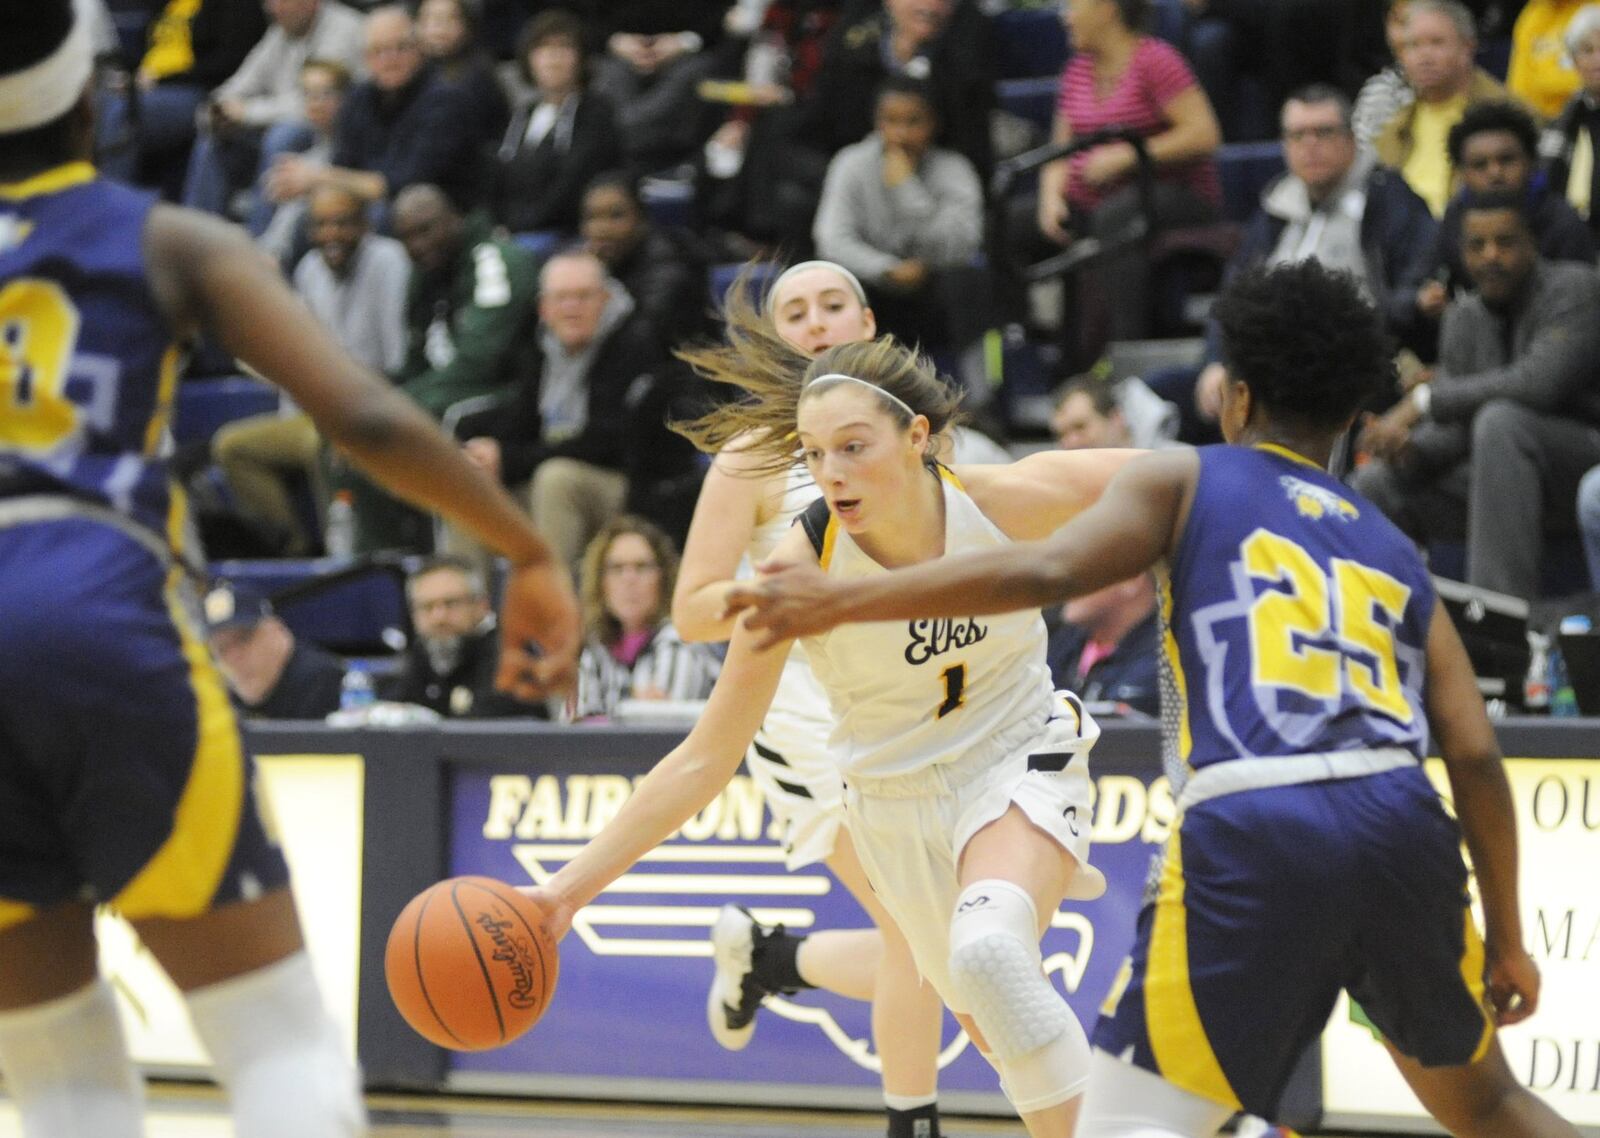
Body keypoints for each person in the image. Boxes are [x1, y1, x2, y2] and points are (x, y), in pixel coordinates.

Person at [725, 259, 1578, 1138]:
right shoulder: (1390, 542)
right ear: (1359, 412)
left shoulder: (1194, 479)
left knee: (1122, 1125)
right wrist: (1508, 935)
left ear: (1235, 400)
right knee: (1492, 1105)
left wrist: (841, 597)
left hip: (1258, 818)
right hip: (1401, 816)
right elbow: (1473, 753)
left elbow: (1046, 570)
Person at [0, 4, 577, 1133]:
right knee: (277, 1042)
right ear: (90, 95)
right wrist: (527, 545)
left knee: (57, 1075)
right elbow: (360, 410)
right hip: (93, 614)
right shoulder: (166, 237)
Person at [527, 307, 1136, 1137]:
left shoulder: (1002, 499)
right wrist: (564, 893)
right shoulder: (795, 573)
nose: (831, 473)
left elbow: (1198, 482)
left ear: (917, 435)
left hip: (1016, 753)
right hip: (891, 809)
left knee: (991, 952)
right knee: (1009, 1038)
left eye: (854, 446)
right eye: (814, 455)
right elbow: (705, 760)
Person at [671, 259, 947, 1138]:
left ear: (868, 323)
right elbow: (690, 610)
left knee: (956, 943)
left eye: (834, 305)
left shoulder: (922, 439)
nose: (817, 322)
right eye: (796, 311)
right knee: (920, 934)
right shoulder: (752, 456)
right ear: (776, 337)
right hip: (806, 723)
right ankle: (914, 1122)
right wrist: (784, 592)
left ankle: (771, 957)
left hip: (916, 707)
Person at [1355, 192, 1600, 600]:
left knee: (1502, 421)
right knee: (1377, 482)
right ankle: (1389, 633)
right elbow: (1456, 434)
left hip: (1583, 457)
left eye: (1505, 242)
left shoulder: (1575, 288)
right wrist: (1408, 448)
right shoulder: (1464, 316)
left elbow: (1537, 384)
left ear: (1531, 243)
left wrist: (1424, 401)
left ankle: (1497, 624)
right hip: (1503, 472)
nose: (1491, 256)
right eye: (1476, 246)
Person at [1181, 85, 1436, 430]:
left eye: (1323, 132)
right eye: (1298, 135)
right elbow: (1232, 298)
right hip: (1267, 367)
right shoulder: (1274, 210)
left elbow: (1413, 294)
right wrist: (1215, 362)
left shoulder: (1390, 202)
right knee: (1168, 391)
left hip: (1354, 365)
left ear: (1350, 139)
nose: (1310, 145)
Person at [459, 248, 698, 568]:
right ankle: (463, 605)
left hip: (630, 489)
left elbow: (605, 443)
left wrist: (511, 459)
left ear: (605, 299)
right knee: (467, 481)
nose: (571, 308)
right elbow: (523, 420)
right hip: (558, 475)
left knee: (557, 479)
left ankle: (556, 609)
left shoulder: (636, 343)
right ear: (544, 307)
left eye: (583, 297)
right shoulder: (544, 347)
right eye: (561, 298)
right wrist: (491, 453)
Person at [213, 182, 409, 555]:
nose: (330, 235)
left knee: (328, 442)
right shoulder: (309, 270)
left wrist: (345, 416)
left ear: (365, 225)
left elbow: (397, 364)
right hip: (317, 412)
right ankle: (295, 552)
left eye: (342, 223)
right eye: (321, 225)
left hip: (371, 411)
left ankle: (345, 560)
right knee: (232, 447)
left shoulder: (389, 260)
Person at [1027, 0, 1222, 359]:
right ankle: (1034, 349)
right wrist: (1050, 199)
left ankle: (1120, 351)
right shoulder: (1077, 71)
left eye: (1073, 6)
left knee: (1115, 217)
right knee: (1012, 221)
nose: (1064, 16)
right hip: (1093, 198)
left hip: (1175, 194)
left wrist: (1129, 156)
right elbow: (1060, 151)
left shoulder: (1155, 60)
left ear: (1106, 8)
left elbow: (1204, 133)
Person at [812, 76, 986, 368]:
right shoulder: (851, 163)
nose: (901, 134)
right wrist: (886, 269)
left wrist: (906, 188)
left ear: (934, 123)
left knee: (969, 283)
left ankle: (982, 399)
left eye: (914, 122)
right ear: (877, 122)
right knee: (835, 284)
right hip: (874, 286)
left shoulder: (955, 170)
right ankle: (840, 380)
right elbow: (831, 240)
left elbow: (962, 246)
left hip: (932, 290)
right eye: (891, 121)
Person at [1408, 100, 1594, 354]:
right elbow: (1413, 285)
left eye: (1506, 160)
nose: (1495, 173)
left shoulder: (1563, 223)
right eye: (1480, 165)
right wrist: (1423, 300)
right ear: (1461, 173)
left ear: (1530, 162)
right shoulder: (1456, 217)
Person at [267, 6, 482, 215]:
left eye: (400, 47)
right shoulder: (358, 98)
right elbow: (343, 164)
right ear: (365, 58)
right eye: (378, 51)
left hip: (435, 214)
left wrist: (320, 178)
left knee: (379, 214)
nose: (389, 60)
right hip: (370, 205)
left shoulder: (446, 100)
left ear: (419, 48)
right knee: (310, 211)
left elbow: (406, 185)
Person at [179, 0, 365, 220]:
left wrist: (246, 112)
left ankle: (258, 244)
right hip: (276, 125)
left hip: (334, 138)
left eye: (280, 2)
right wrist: (218, 110)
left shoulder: (345, 29)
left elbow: (313, 103)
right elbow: (240, 84)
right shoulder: (280, 31)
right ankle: (198, 236)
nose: (272, 9)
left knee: (284, 135)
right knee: (214, 137)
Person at [571, 517, 721, 720]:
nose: (629, 579)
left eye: (641, 567)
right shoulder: (595, 649)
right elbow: (572, 728)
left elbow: (656, 732)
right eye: (617, 568)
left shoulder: (682, 641)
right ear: (601, 582)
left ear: (663, 578)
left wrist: (604, 718)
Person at [491, 10, 621, 237]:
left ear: (581, 58)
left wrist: (519, 229)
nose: (553, 57)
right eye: (542, 48)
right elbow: (501, 177)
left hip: (565, 233)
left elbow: (572, 185)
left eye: (564, 47)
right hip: (516, 230)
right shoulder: (524, 114)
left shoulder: (595, 112)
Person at [1375, 0, 1510, 216]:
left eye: (1436, 43)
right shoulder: (1393, 127)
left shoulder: (1506, 114)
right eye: (1413, 46)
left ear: (1468, 47)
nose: (1424, 56)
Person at [384, 555, 547, 717]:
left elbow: (485, 732)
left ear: (482, 606)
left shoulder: (510, 654)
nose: (439, 617)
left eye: (451, 603)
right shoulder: (423, 653)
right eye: (427, 607)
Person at [580, 172, 708, 350]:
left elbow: (641, 342)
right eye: (592, 217)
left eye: (616, 216)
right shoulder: (592, 264)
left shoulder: (671, 270)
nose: (602, 228)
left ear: (641, 219)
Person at [204, 581, 346, 719]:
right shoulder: (215, 692)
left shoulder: (324, 682)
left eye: (244, 639)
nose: (234, 656)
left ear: (277, 630)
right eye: (221, 648)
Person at [1045, 574, 1160, 717]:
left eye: (1082, 568)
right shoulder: (1063, 641)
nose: (1063, 585)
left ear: (1131, 578)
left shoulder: (1167, 659)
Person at [1537, 4, 1600, 240]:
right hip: (1569, 241)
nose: (1597, 59)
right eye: (1587, 50)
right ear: (1574, 61)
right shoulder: (1563, 121)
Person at [414, 0, 508, 147]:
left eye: (450, 18)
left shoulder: (479, 76)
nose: (439, 27)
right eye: (430, 18)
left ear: (466, 25)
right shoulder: (413, 73)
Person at [1051, 372, 1180, 452]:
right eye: (1061, 435)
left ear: (1116, 418)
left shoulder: (1182, 466)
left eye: (1080, 427)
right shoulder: (1059, 487)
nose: (1071, 443)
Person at [1507, 0, 1588, 119]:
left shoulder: (1594, 11)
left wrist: (1545, 82)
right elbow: (1518, 88)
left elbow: (1590, 79)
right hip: (1538, 122)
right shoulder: (1533, 14)